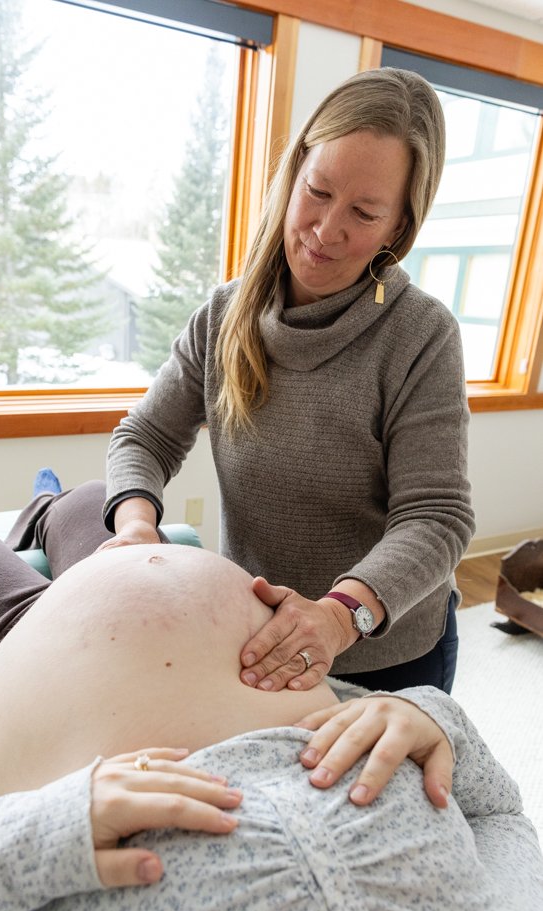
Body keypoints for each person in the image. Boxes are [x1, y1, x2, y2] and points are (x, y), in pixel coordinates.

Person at [0, 478, 542, 911]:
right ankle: (45, 512)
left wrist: (40, 832)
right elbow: (495, 815)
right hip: (145, 572)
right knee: (92, 503)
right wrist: (429, 717)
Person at [102, 67, 476, 697]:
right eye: (319, 191)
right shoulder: (224, 316)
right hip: (258, 637)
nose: (327, 231)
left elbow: (435, 519)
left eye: (364, 212)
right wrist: (137, 527)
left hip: (385, 652)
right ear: (293, 175)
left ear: (398, 229)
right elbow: (144, 438)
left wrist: (338, 616)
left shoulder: (422, 336)